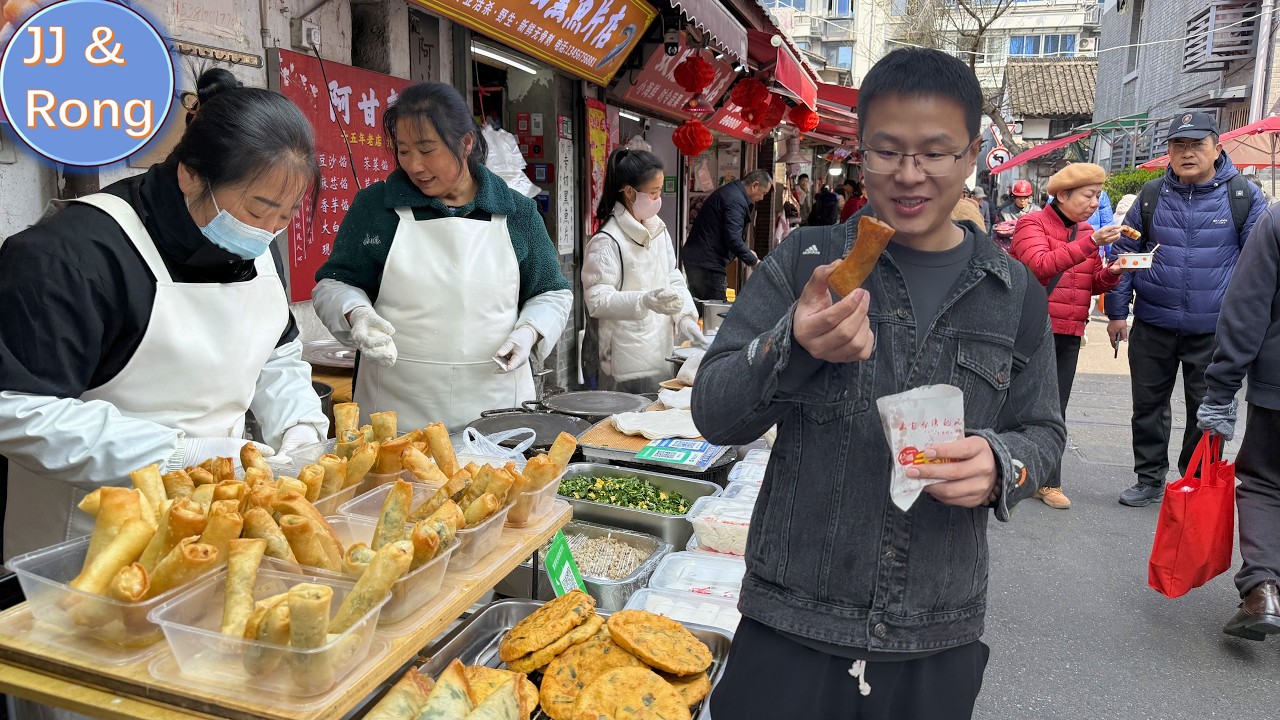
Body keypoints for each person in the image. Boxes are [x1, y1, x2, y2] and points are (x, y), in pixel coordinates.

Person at [693, 47, 1065, 719]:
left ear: (972, 152)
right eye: (888, 151)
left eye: (935, 152)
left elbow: (1043, 434)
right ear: (861, 150)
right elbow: (714, 412)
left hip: (935, 633)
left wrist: (1004, 466)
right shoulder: (806, 260)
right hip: (791, 624)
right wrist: (794, 345)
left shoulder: (1013, 295)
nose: (910, 174)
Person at [0, 69, 329, 562]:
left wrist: (299, 427)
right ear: (190, 174)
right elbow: (18, 411)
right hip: (85, 538)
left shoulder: (255, 242)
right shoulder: (72, 256)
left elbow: (275, 356)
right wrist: (175, 455)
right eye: (260, 209)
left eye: (287, 214)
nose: (270, 231)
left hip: (215, 523)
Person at [313, 82, 571, 431]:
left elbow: (551, 293)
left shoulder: (517, 212)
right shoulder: (376, 207)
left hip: (495, 409)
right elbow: (335, 282)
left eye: (427, 149)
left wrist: (530, 331)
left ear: (466, 143)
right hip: (394, 409)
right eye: (403, 151)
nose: (415, 165)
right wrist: (355, 312)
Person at [1106, 111, 1267, 507]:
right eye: (1179, 145)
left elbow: (1262, 266)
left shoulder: (1243, 196)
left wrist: (1253, 328)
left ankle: (1195, 480)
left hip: (1213, 329)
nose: (1187, 152)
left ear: (1216, 147)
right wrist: (1115, 312)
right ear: (1169, 152)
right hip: (1153, 323)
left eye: (1197, 144)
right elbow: (1125, 253)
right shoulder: (1151, 196)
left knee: (1206, 409)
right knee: (1147, 405)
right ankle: (1149, 477)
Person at [1009, 163, 1130, 509]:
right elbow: (1040, 266)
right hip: (1032, 328)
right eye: (1089, 196)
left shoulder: (1086, 230)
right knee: (1016, 400)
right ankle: (1009, 469)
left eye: (1098, 196)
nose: (1095, 203)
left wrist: (1112, 274)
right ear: (1062, 195)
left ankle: (1048, 481)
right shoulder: (1030, 224)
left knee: (1055, 408)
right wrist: (1090, 242)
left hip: (1070, 330)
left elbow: (1091, 281)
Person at [1196, 202, 1280, 640]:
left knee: (1266, 482)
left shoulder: (1276, 220)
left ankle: (1263, 589)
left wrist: (1221, 389)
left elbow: (1247, 308)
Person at [581, 149, 702, 392]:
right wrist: (644, 300)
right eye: (654, 193)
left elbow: (673, 277)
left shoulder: (659, 230)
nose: (659, 199)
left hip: (660, 352)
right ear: (629, 192)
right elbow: (597, 300)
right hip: (624, 360)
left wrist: (686, 317)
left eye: (660, 191)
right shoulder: (607, 241)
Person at [680, 169, 771, 301]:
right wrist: (754, 261)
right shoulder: (735, 201)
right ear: (755, 185)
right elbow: (733, 239)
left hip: (701, 258)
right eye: (763, 193)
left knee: (701, 307)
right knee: (714, 309)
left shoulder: (733, 193)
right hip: (707, 262)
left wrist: (748, 253)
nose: (762, 198)